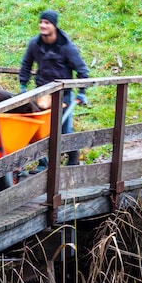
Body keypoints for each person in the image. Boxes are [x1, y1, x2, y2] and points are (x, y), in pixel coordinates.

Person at [18, 9, 89, 170]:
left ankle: (72, 157)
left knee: (63, 130)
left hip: (62, 94)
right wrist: (23, 84)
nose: (43, 25)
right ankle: (45, 164)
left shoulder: (66, 47)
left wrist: (82, 91)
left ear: (54, 26)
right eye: (41, 22)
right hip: (42, 94)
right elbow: (26, 64)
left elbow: (82, 70)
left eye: (47, 23)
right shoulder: (35, 44)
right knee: (40, 131)